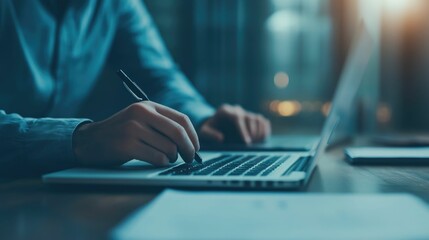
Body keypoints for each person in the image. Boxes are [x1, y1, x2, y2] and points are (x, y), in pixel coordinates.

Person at [0, 0, 271, 177]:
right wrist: (81, 139)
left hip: (40, 195)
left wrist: (202, 119)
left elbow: (159, 78)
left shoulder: (115, 4)